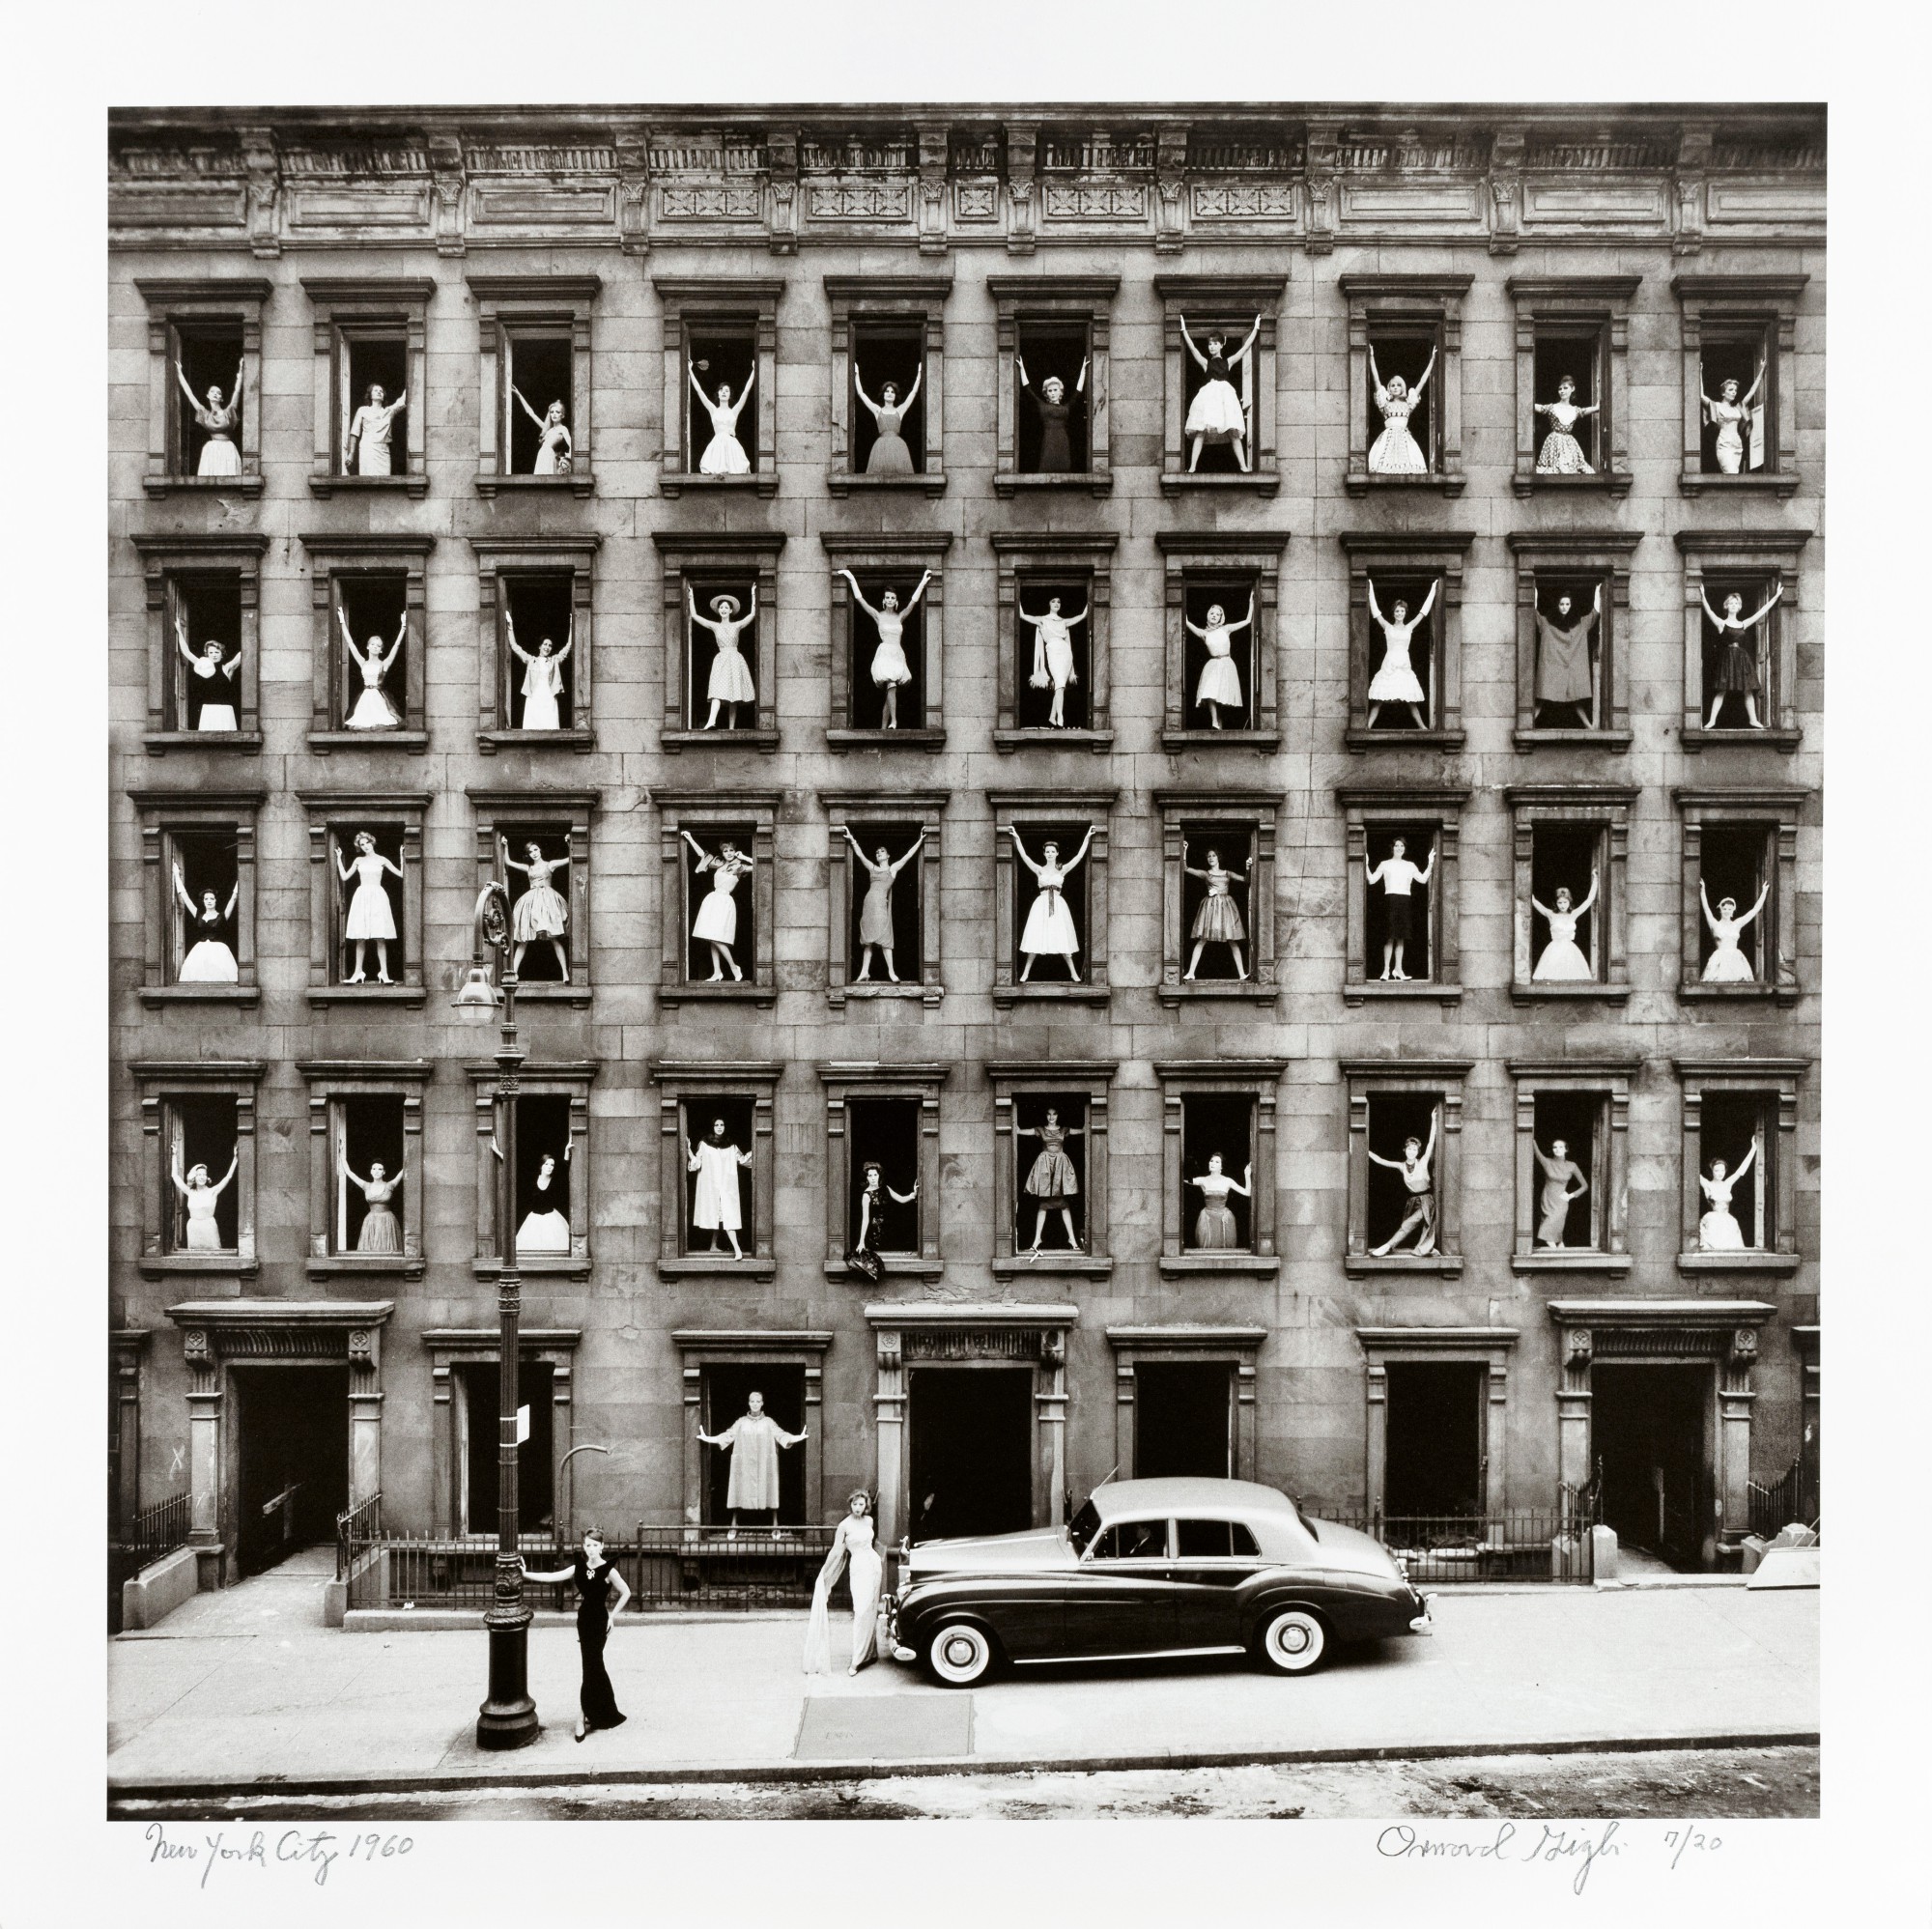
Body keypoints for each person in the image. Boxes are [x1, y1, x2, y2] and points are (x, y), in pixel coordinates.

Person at [518, 1529, 630, 1742]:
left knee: (591, 1665)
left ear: (602, 1547)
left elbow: (626, 1592)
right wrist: (526, 1575)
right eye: (588, 1545)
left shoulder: (608, 1570)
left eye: (596, 1545)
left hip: (599, 1622)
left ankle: (581, 1716)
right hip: (584, 1621)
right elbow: (552, 1577)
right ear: (584, 1546)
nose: (592, 1549)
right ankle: (601, 1709)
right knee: (594, 1666)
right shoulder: (578, 1567)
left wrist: (612, 1617)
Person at [696, 1390, 806, 1532]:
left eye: (758, 1401)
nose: (755, 1404)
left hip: (764, 1467)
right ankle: (733, 1526)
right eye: (752, 1401)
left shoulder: (769, 1422)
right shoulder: (741, 1422)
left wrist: (798, 1437)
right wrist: (707, 1438)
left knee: (770, 1491)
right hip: (745, 1467)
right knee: (738, 1491)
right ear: (748, 1403)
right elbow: (727, 1436)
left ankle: (775, 1526)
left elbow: (782, 1435)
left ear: (762, 1403)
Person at [838, 568, 931, 730]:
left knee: (890, 690)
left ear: (896, 601)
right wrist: (852, 578)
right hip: (885, 653)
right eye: (887, 597)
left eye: (892, 598)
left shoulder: (900, 616)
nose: (889, 600)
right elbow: (861, 600)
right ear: (884, 600)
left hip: (897, 653)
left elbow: (913, 602)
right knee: (891, 685)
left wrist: (923, 581)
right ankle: (894, 721)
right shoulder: (878, 615)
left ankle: (883, 728)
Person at [805, 1490, 884, 1676]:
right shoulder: (844, 1525)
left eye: (861, 1504)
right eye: (855, 1504)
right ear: (850, 1505)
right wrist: (825, 1570)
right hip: (858, 1568)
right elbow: (836, 1550)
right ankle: (857, 1660)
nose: (858, 1508)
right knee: (861, 1609)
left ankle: (870, 1653)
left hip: (874, 1566)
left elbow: (871, 1544)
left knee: (871, 1610)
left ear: (866, 1506)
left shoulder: (869, 1521)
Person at [1008, 824, 1093, 981]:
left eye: (1053, 851)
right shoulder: (1039, 869)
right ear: (1044, 853)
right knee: (1036, 936)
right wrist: (1017, 838)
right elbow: (1024, 856)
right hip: (1041, 905)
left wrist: (1087, 837)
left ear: (1057, 853)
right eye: (1047, 851)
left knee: (1061, 936)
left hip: (1058, 906)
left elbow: (1078, 857)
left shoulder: (1062, 869)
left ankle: (1073, 973)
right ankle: (1026, 972)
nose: (1050, 854)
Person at [1179, 315, 1261, 471]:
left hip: (1225, 399)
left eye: (1215, 343)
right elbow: (1192, 348)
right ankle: (1192, 468)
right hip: (1209, 400)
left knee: (1233, 431)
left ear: (1222, 345)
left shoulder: (1228, 362)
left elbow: (1245, 349)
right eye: (1210, 344)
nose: (1212, 346)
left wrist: (1256, 329)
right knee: (1200, 431)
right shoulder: (1206, 363)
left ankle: (1243, 466)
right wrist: (1184, 330)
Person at [843, 827, 923, 983]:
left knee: (884, 938)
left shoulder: (892, 869)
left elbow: (907, 856)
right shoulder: (872, 868)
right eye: (877, 852)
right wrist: (852, 839)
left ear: (888, 855)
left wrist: (920, 840)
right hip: (868, 907)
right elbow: (860, 855)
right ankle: (864, 971)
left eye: (882, 851)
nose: (878, 853)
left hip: (880, 907)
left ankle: (892, 973)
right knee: (868, 941)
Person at [1701, 582, 1782, 730]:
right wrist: (1702, 595)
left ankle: (1753, 720)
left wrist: (1776, 596)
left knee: (1748, 689)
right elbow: (1709, 611)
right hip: (1728, 659)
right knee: (1722, 689)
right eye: (1731, 603)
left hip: (1742, 659)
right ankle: (1711, 721)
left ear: (1739, 607)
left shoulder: (1744, 624)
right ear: (1726, 606)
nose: (1733, 605)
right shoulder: (1721, 623)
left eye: (1736, 603)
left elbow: (1762, 611)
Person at [682, 832, 754, 981]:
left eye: (731, 850)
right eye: (725, 850)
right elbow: (702, 854)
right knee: (710, 936)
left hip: (725, 901)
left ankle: (734, 967)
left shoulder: (739, 866)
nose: (728, 853)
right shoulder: (720, 863)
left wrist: (744, 857)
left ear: (735, 851)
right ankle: (717, 972)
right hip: (713, 899)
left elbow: (760, 864)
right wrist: (690, 838)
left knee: (716, 936)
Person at [1367, 579, 1436, 728]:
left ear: (1406, 613)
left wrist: (1433, 589)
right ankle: (1367, 727)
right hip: (1390, 664)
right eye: (1397, 611)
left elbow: (1423, 612)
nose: (1399, 613)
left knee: (1410, 701)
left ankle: (1423, 727)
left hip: (1404, 664)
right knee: (1379, 699)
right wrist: (1371, 586)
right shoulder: (1387, 627)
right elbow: (1375, 611)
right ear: (1393, 613)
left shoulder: (1409, 627)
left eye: (1402, 611)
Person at [336, 830, 403, 984]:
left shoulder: (382, 860)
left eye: (367, 843)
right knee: (360, 937)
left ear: (372, 842)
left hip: (378, 897)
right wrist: (339, 858)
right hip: (362, 897)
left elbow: (402, 874)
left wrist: (402, 856)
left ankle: (384, 974)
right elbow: (345, 877)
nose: (365, 846)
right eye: (362, 844)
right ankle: (358, 972)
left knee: (380, 937)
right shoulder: (358, 860)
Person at [687, 586, 757, 730]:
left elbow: (752, 614)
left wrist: (753, 594)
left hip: (735, 659)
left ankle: (731, 728)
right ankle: (711, 721)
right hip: (721, 660)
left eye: (726, 607)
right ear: (718, 610)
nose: (723, 609)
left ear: (731, 611)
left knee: (734, 695)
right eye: (721, 607)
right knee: (716, 690)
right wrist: (691, 596)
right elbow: (694, 616)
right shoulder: (715, 626)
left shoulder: (737, 625)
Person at [1017, 1105, 1084, 1256]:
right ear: (1046, 1116)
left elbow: (1082, 1130)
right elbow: (1021, 1131)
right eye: (1049, 1114)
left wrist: (1089, 1124)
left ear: (1058, 1115)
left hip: (1060, 1165)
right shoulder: (1041, 1130)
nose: (1051, 1117)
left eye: (1054, 1114)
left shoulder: (1064, 1130)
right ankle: (1037, 1240)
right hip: (1045, 1166)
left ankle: (1072, 1239)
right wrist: (1016, 1128)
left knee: (1062, 1203)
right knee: (1045, 1204)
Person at [1369, 1116, 1438, 1257]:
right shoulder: (1401, 1166)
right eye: (1409, 1149)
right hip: (1413, 1201)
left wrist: (1433, 1120)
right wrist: (1365, 1149)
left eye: (1414, 1150)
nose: (1411, 1151)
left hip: (1426, 1200)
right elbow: (1381, 1161)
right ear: (1404, 1150)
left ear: (1418, 1152)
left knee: (1408, 1225)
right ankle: (1422, 1248)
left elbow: (1431, 1142)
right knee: (1407, 1224)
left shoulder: (1423, 1162)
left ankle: (1387, 1246)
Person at [1367, 835, 1434, 981]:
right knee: (1390, 937)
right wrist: (1365, 864)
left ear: (1405, 848)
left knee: (1401, 938)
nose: (1399, 848)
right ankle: (1386, 971)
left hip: (1405, 901)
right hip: (1390, 901)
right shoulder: (1385, 864)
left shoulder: (1410, 865)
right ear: (1392, 848)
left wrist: (1430, 864)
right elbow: (1372, 880)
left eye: (1402, 846)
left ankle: (1398, 970)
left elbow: (1422, 880)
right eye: (1397, 845)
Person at [686, 1117, 753, 1259]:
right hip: (712, 1187)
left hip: (726, 1187)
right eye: (716, 1124)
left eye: (722, 1124)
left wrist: (758, 1148)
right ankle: (733, 1249)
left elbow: (743, 1160)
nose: (719, 1127)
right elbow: (697, 1163)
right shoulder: (704, 1144)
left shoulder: (731, 1145)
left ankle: (726, 1248)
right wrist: (688, 1150)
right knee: (719, 1216)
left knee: (727, 1216)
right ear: (712, 1127)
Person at [1018, 591, 1087, 728]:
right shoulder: (1042, 619)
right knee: (1059, 684)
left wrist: (1091, 599)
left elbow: (1082, 615)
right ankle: (1060, 716)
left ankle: (1052, 716)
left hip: (1066, 653)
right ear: (1049, 604)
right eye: (1053, 601)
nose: (1056, 604)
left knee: (1060, 686)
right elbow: (1022, 615)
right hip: (1053, 651)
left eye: (1059, 602)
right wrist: (1016, 597)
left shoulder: (1063, 621)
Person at [1182, 842, 1249, 981]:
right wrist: (1185, 849)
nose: (1211, 858)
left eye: (1213, 855)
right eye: (1208, 856)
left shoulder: (1228, 873)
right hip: (1211, 909)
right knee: (1202, 939)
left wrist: (1248, 867)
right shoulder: (1206, 874)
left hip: (1226, 908)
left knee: (1232, 940)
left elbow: (1246, 880)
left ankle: (1242, 974)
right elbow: (1185, 868)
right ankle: (1190, 973)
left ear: (1218, 857)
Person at [504, 837, 569, 979]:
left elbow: (569, 859)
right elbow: (508, 862)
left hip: (547, 901)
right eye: (530, 852)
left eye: (535, 849)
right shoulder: (529, 868)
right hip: (531, 902)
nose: (534, 853)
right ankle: (514, 972)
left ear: (540, 850)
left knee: (554, 938)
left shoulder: (550, 864)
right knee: (524, 938)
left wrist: (569, 842)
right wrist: (506, 845)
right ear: (528, 855)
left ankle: (565, 972)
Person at [1535, 588, 1601, 727]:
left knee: (1576, 700)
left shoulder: (1581, 624)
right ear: (1557, 605)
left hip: (1571, 671)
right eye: (1561, 604)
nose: (1564, 607)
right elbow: (1533, 614)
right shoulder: (1547, 623)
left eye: (1567, 604)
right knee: (1542, 699)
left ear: (1571, 606)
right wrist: (1533, 592)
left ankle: (1589, 726)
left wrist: (1597, 591)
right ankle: (1528, 724)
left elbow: (1595, 613)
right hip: (1554, 670)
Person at [1367, 344, 1435, 475]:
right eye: (1392, 385)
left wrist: (1432, 361)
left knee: (1408, 467)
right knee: (1383, 467)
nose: (1395, 387)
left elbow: (1422, 382)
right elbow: (1376, 380)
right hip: (1387, 439)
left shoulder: (1408, 403)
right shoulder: (1385, 404)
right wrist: (1371, 357)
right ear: (1389, 388)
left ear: (1403, 387)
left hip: (1404, 440)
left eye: (1398, 385)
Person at [1189, 595, 1254, 729]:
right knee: (1209, 692)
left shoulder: (1226, 629)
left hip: (1226, 664)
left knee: (1222, 697)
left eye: (1217, 614)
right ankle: (1214, 722)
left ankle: (1219, 725)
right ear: (1208, 615)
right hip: (1213, 665)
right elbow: (1188, 623)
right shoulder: (1204, 633)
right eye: (1212, 613)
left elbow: (1247, 621)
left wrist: (1251, 602)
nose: (1214, 616)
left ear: (1221, 617)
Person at [339, 604, 406, 730]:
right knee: (362, 723)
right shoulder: (363, 662)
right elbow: (350, 644)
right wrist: (342, 622)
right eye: (373, 644)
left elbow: (396, 646)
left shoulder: (384, 664)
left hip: (378, 698)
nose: (375, 647)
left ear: (381, 650)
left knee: (380, 723)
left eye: (378, 646)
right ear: (368, 646)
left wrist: (403, 627)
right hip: (365, 699)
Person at [1017, 352, 1087, 472]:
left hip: (1063, 440)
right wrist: (1022, 368)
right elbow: (1027, 389)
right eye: (1050, 391)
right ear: (1046, 393)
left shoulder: (1067, 407)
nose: (1053, 393)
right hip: (1049, 439)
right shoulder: (1042, 405)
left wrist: (1083, 370)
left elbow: (1078, 392)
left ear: (1060, 392)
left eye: (1055, 390)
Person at [174, 355, 243, 476]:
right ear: (208, 396)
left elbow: (237, 391)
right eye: (213, 392)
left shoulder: (229, 412)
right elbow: (190, 394)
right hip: (212, 450)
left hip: (227, 449)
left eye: (219, 393)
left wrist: (241, 371)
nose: (216, 394)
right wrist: (180, 374)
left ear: (221, 398)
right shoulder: (205, 414)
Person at [506, 609, 572, 732]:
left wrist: (572, 624)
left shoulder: (554, 660)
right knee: (533, 727)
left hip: (548, 696)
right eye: (545, 644)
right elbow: (515, 646)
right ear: (540, 646)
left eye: (550, 645)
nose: (547, 647)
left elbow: (569, 645)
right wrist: (510, 626)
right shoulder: (531, 660)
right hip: (534, 696)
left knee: (550, 727)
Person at [173, 863, 239, 982]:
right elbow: (185, 897)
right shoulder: (198, 914)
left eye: (212, 899)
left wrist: (241, 874)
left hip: (219, 953)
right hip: (200, 952)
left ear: (216, 901)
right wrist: (176, 875)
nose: (209, 901)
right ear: (203, 901)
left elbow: (234, 897)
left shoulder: (222, 916)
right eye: (206, 899)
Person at [851, 1160, 917, 1277]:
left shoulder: (885, 1188)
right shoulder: (866, 1195)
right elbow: (865, 1219)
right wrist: (861, 1242)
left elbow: (901, 1199)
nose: (873, 1178)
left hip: (889, 1227)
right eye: (870, 1175)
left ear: (879, 1175)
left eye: (875, 1175)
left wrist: (913, 1194)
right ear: (866, 1178)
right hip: (875, 1231)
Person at [173, 613, 239, 731]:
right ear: (207, 654)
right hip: (208, 711)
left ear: (222, 654)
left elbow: (241, 654)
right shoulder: (203, 666)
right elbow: (186, 652)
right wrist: (179, 630)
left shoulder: (226, 668)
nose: (214, 655)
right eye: (211, 652)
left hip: (225, 711)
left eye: (217, 652)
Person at [1531, 871, 1599, 981]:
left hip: (1571, 953)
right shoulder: (1551, 914)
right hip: (1553, 952)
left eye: (1565, 902)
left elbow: (1589, 899)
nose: (1562, 905)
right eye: (1560, 903)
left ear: (1569, 902)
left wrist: (1595, 879)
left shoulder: (1573, 914)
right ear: (1556, 903)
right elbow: (1534, 901)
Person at [505, 1142, 570, 1256]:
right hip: (534, 1221)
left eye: (552, 1165)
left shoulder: (554, 1179)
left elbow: (564, 1169)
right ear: (541, 1165)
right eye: (547, 1164)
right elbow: (513, 1167)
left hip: (552, 1221)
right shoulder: (532, 1179)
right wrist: (498, 1152)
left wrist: (566, 1151)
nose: (549, 1167)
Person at [855, 362, 922, 474]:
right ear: (883, 394)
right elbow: (861, 394)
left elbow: (913, 393)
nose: (889, 393)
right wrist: (856, 373)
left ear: (895, 396)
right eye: (887, 391)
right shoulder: (877, 410)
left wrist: (919, 373)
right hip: (880, 449)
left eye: (892, 392)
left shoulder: (900, 410)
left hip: (898, 449)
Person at [1701, 362, 1766, 475]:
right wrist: (1699, 371)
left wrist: (1762, 369)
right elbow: (1701, 396)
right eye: (1731, 390)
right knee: (1731, 473)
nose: (1734, 392)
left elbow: (1752, 392)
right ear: (1723, 393)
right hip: (1723, 444)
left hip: (1737, 445)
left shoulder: (1738, 407)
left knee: (1734, 475)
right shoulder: (1716, 406)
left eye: (1735, 390)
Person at [1701, 878, 1770, 983]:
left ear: (1733, 911)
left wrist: (1764, 892)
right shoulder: (1714, 924)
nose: (1727, 911)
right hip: (1719, 960)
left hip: (1735, 960)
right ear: (1720, 910)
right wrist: (1702, 890)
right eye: (1724, 909)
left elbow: (1754, 911)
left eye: (1729, 909)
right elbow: (1706, 909)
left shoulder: (1737, 924)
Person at [690, 361, 753, 473]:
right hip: (717, 447)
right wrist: (690, 370)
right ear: (718, 394)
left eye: (726, 391)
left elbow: (746, 391)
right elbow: (699, 391)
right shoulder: (713, 410)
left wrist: (754, 370)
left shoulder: (734, 411)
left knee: (735, 471)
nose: (724, 392)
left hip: (732, 448)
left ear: (730, 395)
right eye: (721, 390)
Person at [1698, 1135, 1760, 1250]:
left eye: (1722, 1170)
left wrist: (1753, 1149)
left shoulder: (1727, 1184)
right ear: (1712, 1171)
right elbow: (1694, 1171)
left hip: (1728, 1222)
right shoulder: (1708, 1184)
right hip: (1713, 1222)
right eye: (1717, 1170)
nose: (1720, 1173)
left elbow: (1741, 1171)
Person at [171, 1145, 238, 1251]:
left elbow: (228, 1177)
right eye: (199, 1175)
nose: (202, 1177)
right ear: (194, 1178)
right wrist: (174, 1155)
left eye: (204, 1174)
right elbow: (175, 1176)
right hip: (193, 1229)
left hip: (209, 1228)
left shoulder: (213, 1192)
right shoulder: (190, 1192)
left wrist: (235, 1158)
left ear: (207, 1177)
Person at [339, 1151, 404, 1254]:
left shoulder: (390, 1185)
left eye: (380, 1169)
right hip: (371, 1222)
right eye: (374, 1169)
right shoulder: (366, 1186)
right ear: (371, 1171)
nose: (377, 1171)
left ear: (384, 1172)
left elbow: (404, 1170)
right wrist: (341, 1154)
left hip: (387, 1221)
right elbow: (349, 1172)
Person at [1533, 374, 1599, 474]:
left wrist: (1598, 405)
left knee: (1572, 469)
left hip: (1569, 444)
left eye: (1565, 388)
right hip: (1553, 443)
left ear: (1572, 389)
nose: (1562, 391)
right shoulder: (1552, 408)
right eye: (1560, 389)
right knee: (1552, 470)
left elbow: (1587, 410)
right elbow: (1536, 406)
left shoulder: (1575, 410)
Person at [1187, 1153, 1252, 1249]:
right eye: (1211, 1161)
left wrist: (1247, 1175)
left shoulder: (1228, 1181)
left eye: (1217, 1162)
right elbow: (1185, 1180)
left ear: (1221, 1167)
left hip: (1223, 1218)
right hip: (1207, 1218)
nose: (1213, 1163)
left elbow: (1247, 1193)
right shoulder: (1203, 1180)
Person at [1532, 1140, 1588, 1248]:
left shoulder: (1572, 1166)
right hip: (1547, 1199)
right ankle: (1560, 1250)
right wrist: (1532, 1139)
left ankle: (1557, 1254)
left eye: (1561, 1147)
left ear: (1566, 1149)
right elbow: (1536, 1150)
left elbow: (1585, 1186)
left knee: (1549, 1233)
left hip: (1562, 1201)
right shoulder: (1547, 1162)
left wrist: (1570, 1195)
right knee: (1554, 1235)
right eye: (1555, 1147)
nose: (1557, 1150)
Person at [344, 381, 407, 476]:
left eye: (381, 391)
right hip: (368, 449)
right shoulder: (363, 410)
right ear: (370, 395)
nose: (379, 392)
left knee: (384, 481)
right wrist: (351, 453)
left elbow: (401, 401)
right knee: (367, 480)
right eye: (376, 390)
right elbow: (354, 432)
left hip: (383, 451)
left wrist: (411, 382)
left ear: (384, 396)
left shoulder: (389, 412)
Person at [511, 385, 572, 474]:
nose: (554, 414)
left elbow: (571, 444)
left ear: (562, 415)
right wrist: (519, 395)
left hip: (550, 455)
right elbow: (532, 414)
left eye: (557, 412)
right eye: (552, 412)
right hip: (542, 454)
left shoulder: (563, 429)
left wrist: (567, 458)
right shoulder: (548, 429)